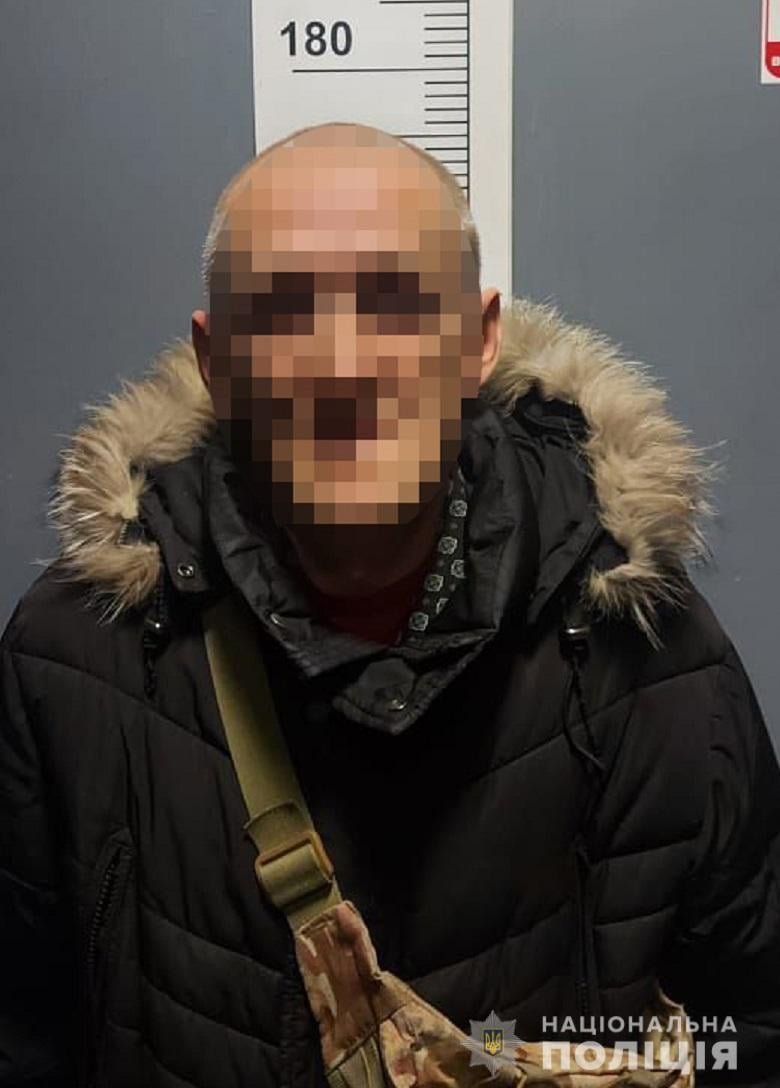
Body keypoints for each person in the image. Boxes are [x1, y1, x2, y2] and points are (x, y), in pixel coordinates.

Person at [1, 121, 779, 1088]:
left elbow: (751, 1035)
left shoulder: (654, 656)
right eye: (283, 311)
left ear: (479, 341)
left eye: (397, 303)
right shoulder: (72, 658)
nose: (343, 366)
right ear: (215, 361)